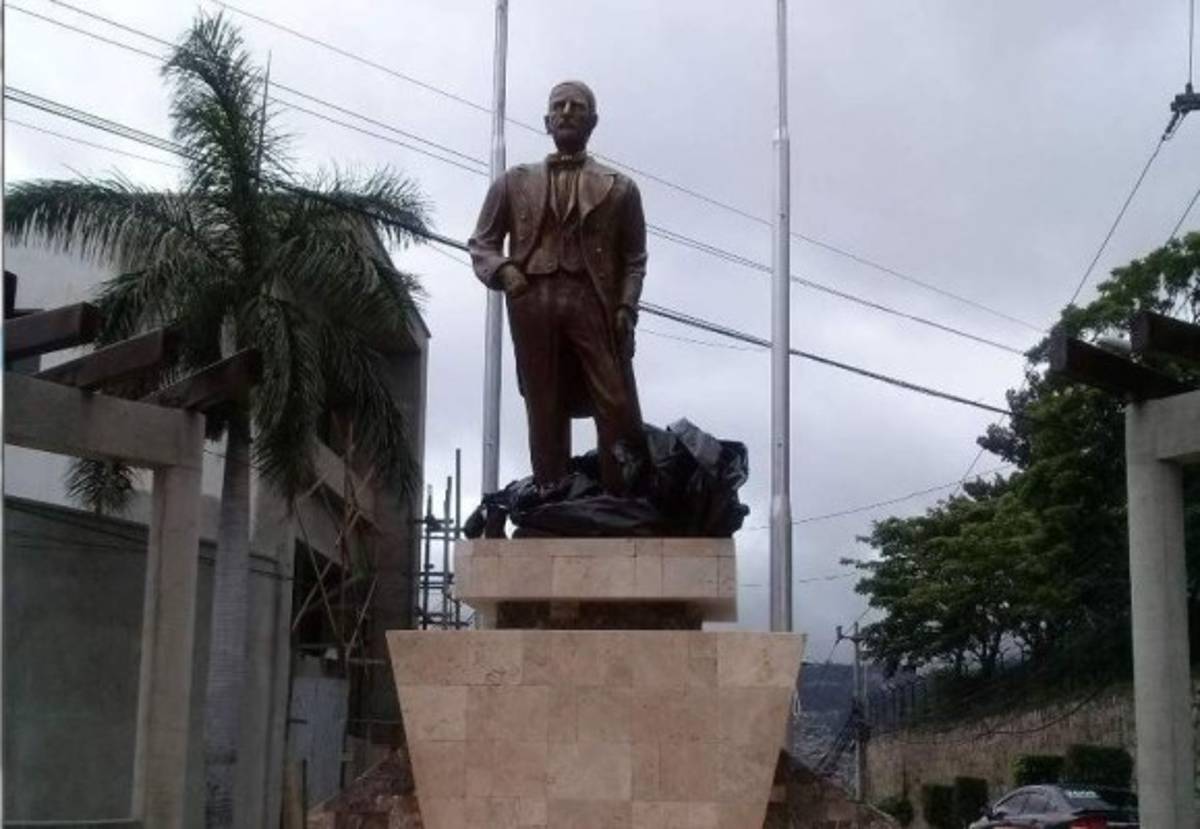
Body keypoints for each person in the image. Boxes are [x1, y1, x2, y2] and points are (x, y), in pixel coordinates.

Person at [469, 80, 648, 493]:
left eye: (577, 106)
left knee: (614, 401)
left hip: (593, 300)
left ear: (593, 121)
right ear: (547, 120)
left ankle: (619, 495)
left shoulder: (620, 187)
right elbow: (482, 242)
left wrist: (626, 307)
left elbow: (634, 259)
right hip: (532, 300)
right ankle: (552, 493)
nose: (567, 111)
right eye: (559, 106)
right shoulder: (513, 182)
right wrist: (505, 272)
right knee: (543, 402)